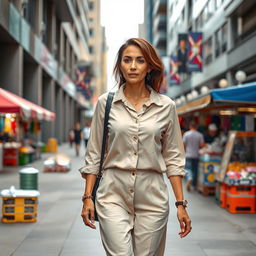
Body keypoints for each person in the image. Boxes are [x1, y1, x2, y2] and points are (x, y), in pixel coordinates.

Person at [79, 38, 191, 255]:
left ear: (149, 66)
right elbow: (94, 153)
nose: (132, 66)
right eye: (127, 60)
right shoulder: (105, 103)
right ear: (120, 65)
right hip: (112, 193)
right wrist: (87, 198)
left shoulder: (166, 106)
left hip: (153, 197)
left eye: (140, 61)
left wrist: (180, 204)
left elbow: (174, 158)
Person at [183, 121, 205, 191]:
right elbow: (201, 145)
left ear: (190, 126)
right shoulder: (199, 135)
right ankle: (194, 185)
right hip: (196, 155)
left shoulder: (186, 134)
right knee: (195, 170)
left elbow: (183, 144)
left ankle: (189, 178)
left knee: (188, 168)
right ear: (196, 127)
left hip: (188, 154)